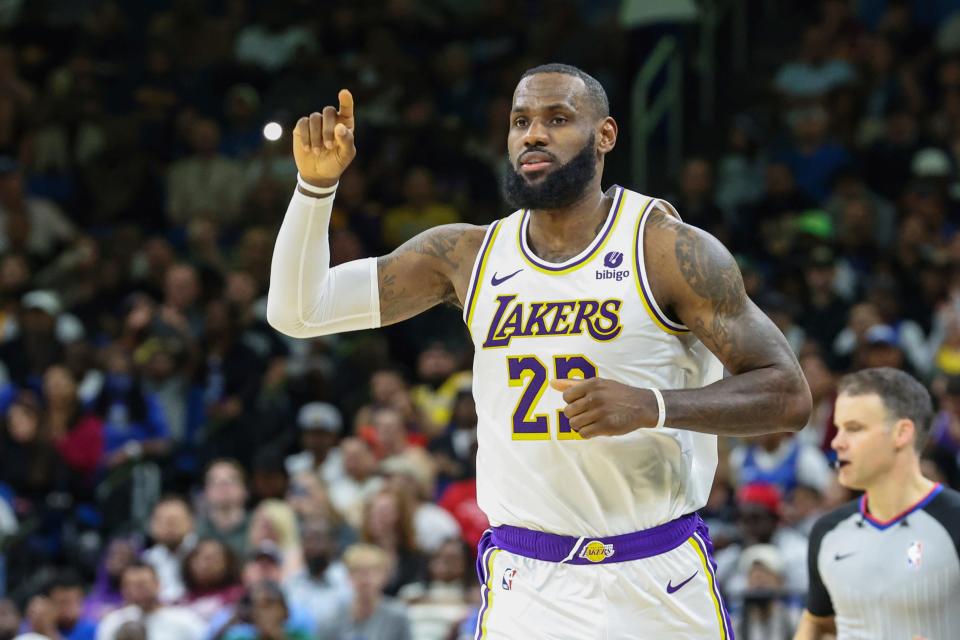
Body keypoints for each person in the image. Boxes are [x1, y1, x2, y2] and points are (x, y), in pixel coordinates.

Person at [267, 64, 811, 638]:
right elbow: (298, 312)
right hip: (528, 582)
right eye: (520, 121)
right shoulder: (466, 255)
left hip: (657, 573)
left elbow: (787, 393)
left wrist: (652, 405)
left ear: (605, 135)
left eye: (557, 119)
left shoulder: (665, 249)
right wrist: (314, 188)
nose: (533, 135)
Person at [794, 367, 960, 640]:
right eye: (837, 428)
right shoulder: (828, 531)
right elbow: (817, 622)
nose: (837, 443)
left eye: (854, 429)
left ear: (902, 433)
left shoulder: (953, 521)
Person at [95, 562, 205, 640]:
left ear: (158, 584)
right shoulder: (112, 622)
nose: (135, 591)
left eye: (142, 585)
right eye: (129, 586)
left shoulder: (185, 619)